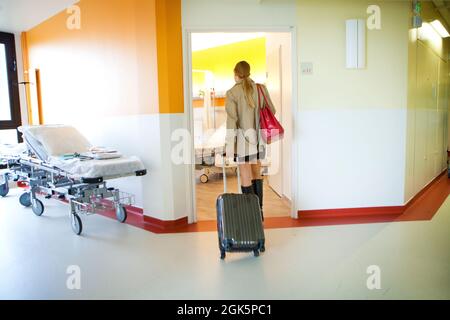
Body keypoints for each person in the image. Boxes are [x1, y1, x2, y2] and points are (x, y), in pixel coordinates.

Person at [225, 61, 276, 221]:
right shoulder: (260, 88)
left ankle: (250, 214)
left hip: (242, 142)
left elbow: (232, 121)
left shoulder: (232, 93)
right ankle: (259, 211)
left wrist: (229, 146)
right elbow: (272, 110)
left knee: (245, 174)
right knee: (257, 173)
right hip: (258, 140)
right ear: (249, 72)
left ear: (236, 74)